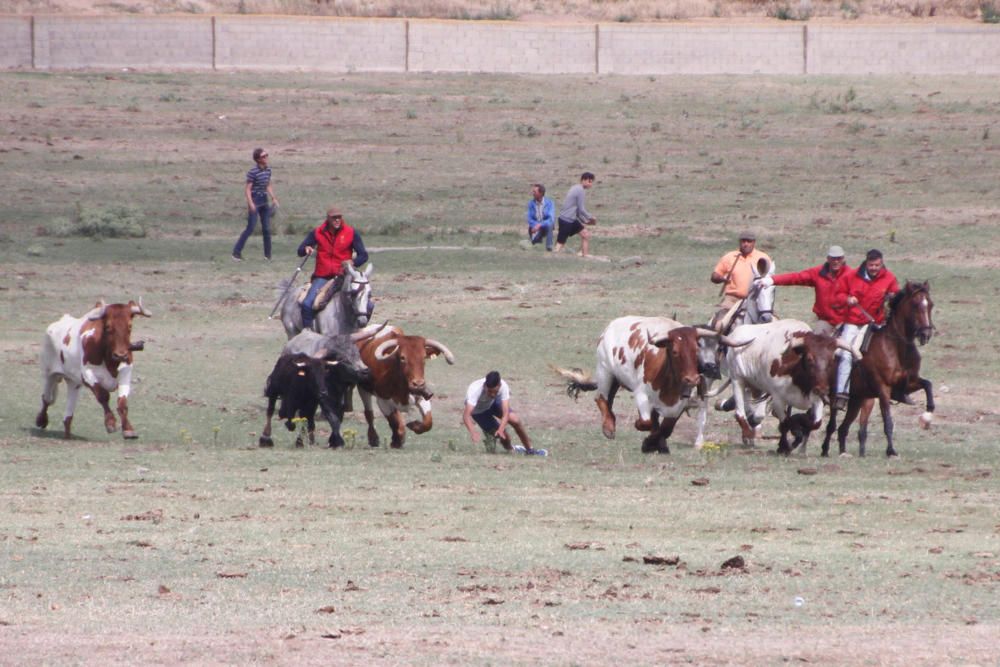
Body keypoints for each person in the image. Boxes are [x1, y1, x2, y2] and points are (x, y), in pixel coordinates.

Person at [832, 248, 900, 408]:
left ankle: (892, 389)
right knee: (846, 354)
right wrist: (847, 299)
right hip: (853, 322)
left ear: (881, 263)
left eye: (877, 265)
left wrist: (892, 297)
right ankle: (842, 392)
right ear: (866, 263)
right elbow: (838, 294)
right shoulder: (851, 276)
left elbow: (896, 294)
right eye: (871, 265)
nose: (874, 268)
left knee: (888, 354)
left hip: (876, 324)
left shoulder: (889, 278)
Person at [296, 206, 370, 330]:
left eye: (339, 217)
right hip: (322, 277)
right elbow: (300, 251)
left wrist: (353, 262)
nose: (337, 220)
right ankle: (307, 333)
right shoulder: (317, 233)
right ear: (328, 219)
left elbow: (363, 255)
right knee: (307, 304)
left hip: (344, 276)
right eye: (334, 218)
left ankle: (360, 330)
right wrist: (306, 249)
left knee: (369, 304)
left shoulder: (351, 233)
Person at [756, 245, 848, 336]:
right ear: (828, 259)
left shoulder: (850, 275)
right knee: (816, 345)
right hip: (825, 321)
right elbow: (796, 277)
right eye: (833, 258)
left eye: (839, 258)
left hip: (846, 321)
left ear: (843, 259)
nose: (836, 261)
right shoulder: (818, 273)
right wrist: (772, 280)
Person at [463, 371, 545, 456]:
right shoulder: (475, 390)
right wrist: (473, 432)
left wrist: (501, 428)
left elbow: (505, 413)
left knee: (515, 420)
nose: (492, 394)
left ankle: (530, 450)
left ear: (499, 385)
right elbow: (466, 415)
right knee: (505, 437)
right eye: (489, 391)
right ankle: (511, 449)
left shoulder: (503, 386)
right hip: (479, 411)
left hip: (492, 404)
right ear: (485, 386)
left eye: (495, 391)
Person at [710, 231, 772, 327]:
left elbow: (770, 278)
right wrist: (722, 278)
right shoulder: (730, 257)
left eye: (749, 241)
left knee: (770, 320)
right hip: (732, 299)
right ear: (739, 242)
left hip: (756, 299)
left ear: (754, 243)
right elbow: (714, 276)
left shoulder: (763, 258)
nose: (746, 244)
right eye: (743, 241)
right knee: (719, 324)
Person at [233, 148, 279, 261]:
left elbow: (268, 184)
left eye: (266, 155)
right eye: (263, 156)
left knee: (267, 229)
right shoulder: (253, 172)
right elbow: (248, 189)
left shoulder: (268, 170)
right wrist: (251, 203)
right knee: (251, 227)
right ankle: (236, 253)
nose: (266, 158)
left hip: (264, 200)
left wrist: (273, 198)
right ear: (258, 159)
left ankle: (267, 256)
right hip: (255, 199)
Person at [554, 172, 597, 256]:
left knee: (585, 234)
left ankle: (585, 255)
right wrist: (591, 217)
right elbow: (581, 209)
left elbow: (576, 210)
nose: (590, 184)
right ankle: (552, 258)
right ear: (583, 180)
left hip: (572, 220)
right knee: (560, 244)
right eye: (589, 181)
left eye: (592, 182)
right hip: (566, 220)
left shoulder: (576, 188)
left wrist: (585, 221)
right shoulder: (580, 190)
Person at [526, 183, 556, 251]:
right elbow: (529, 218)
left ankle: (549, 247)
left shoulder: (550, 203)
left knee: (550, 225)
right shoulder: (531, 203)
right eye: (533, 191)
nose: (532, 193)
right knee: (536, 244)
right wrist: (535, 225)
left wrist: (540, 225)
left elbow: (551, 219)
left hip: (545, 226)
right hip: (535, 227)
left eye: (534, 192)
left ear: (541, 193)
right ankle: (535, 241)